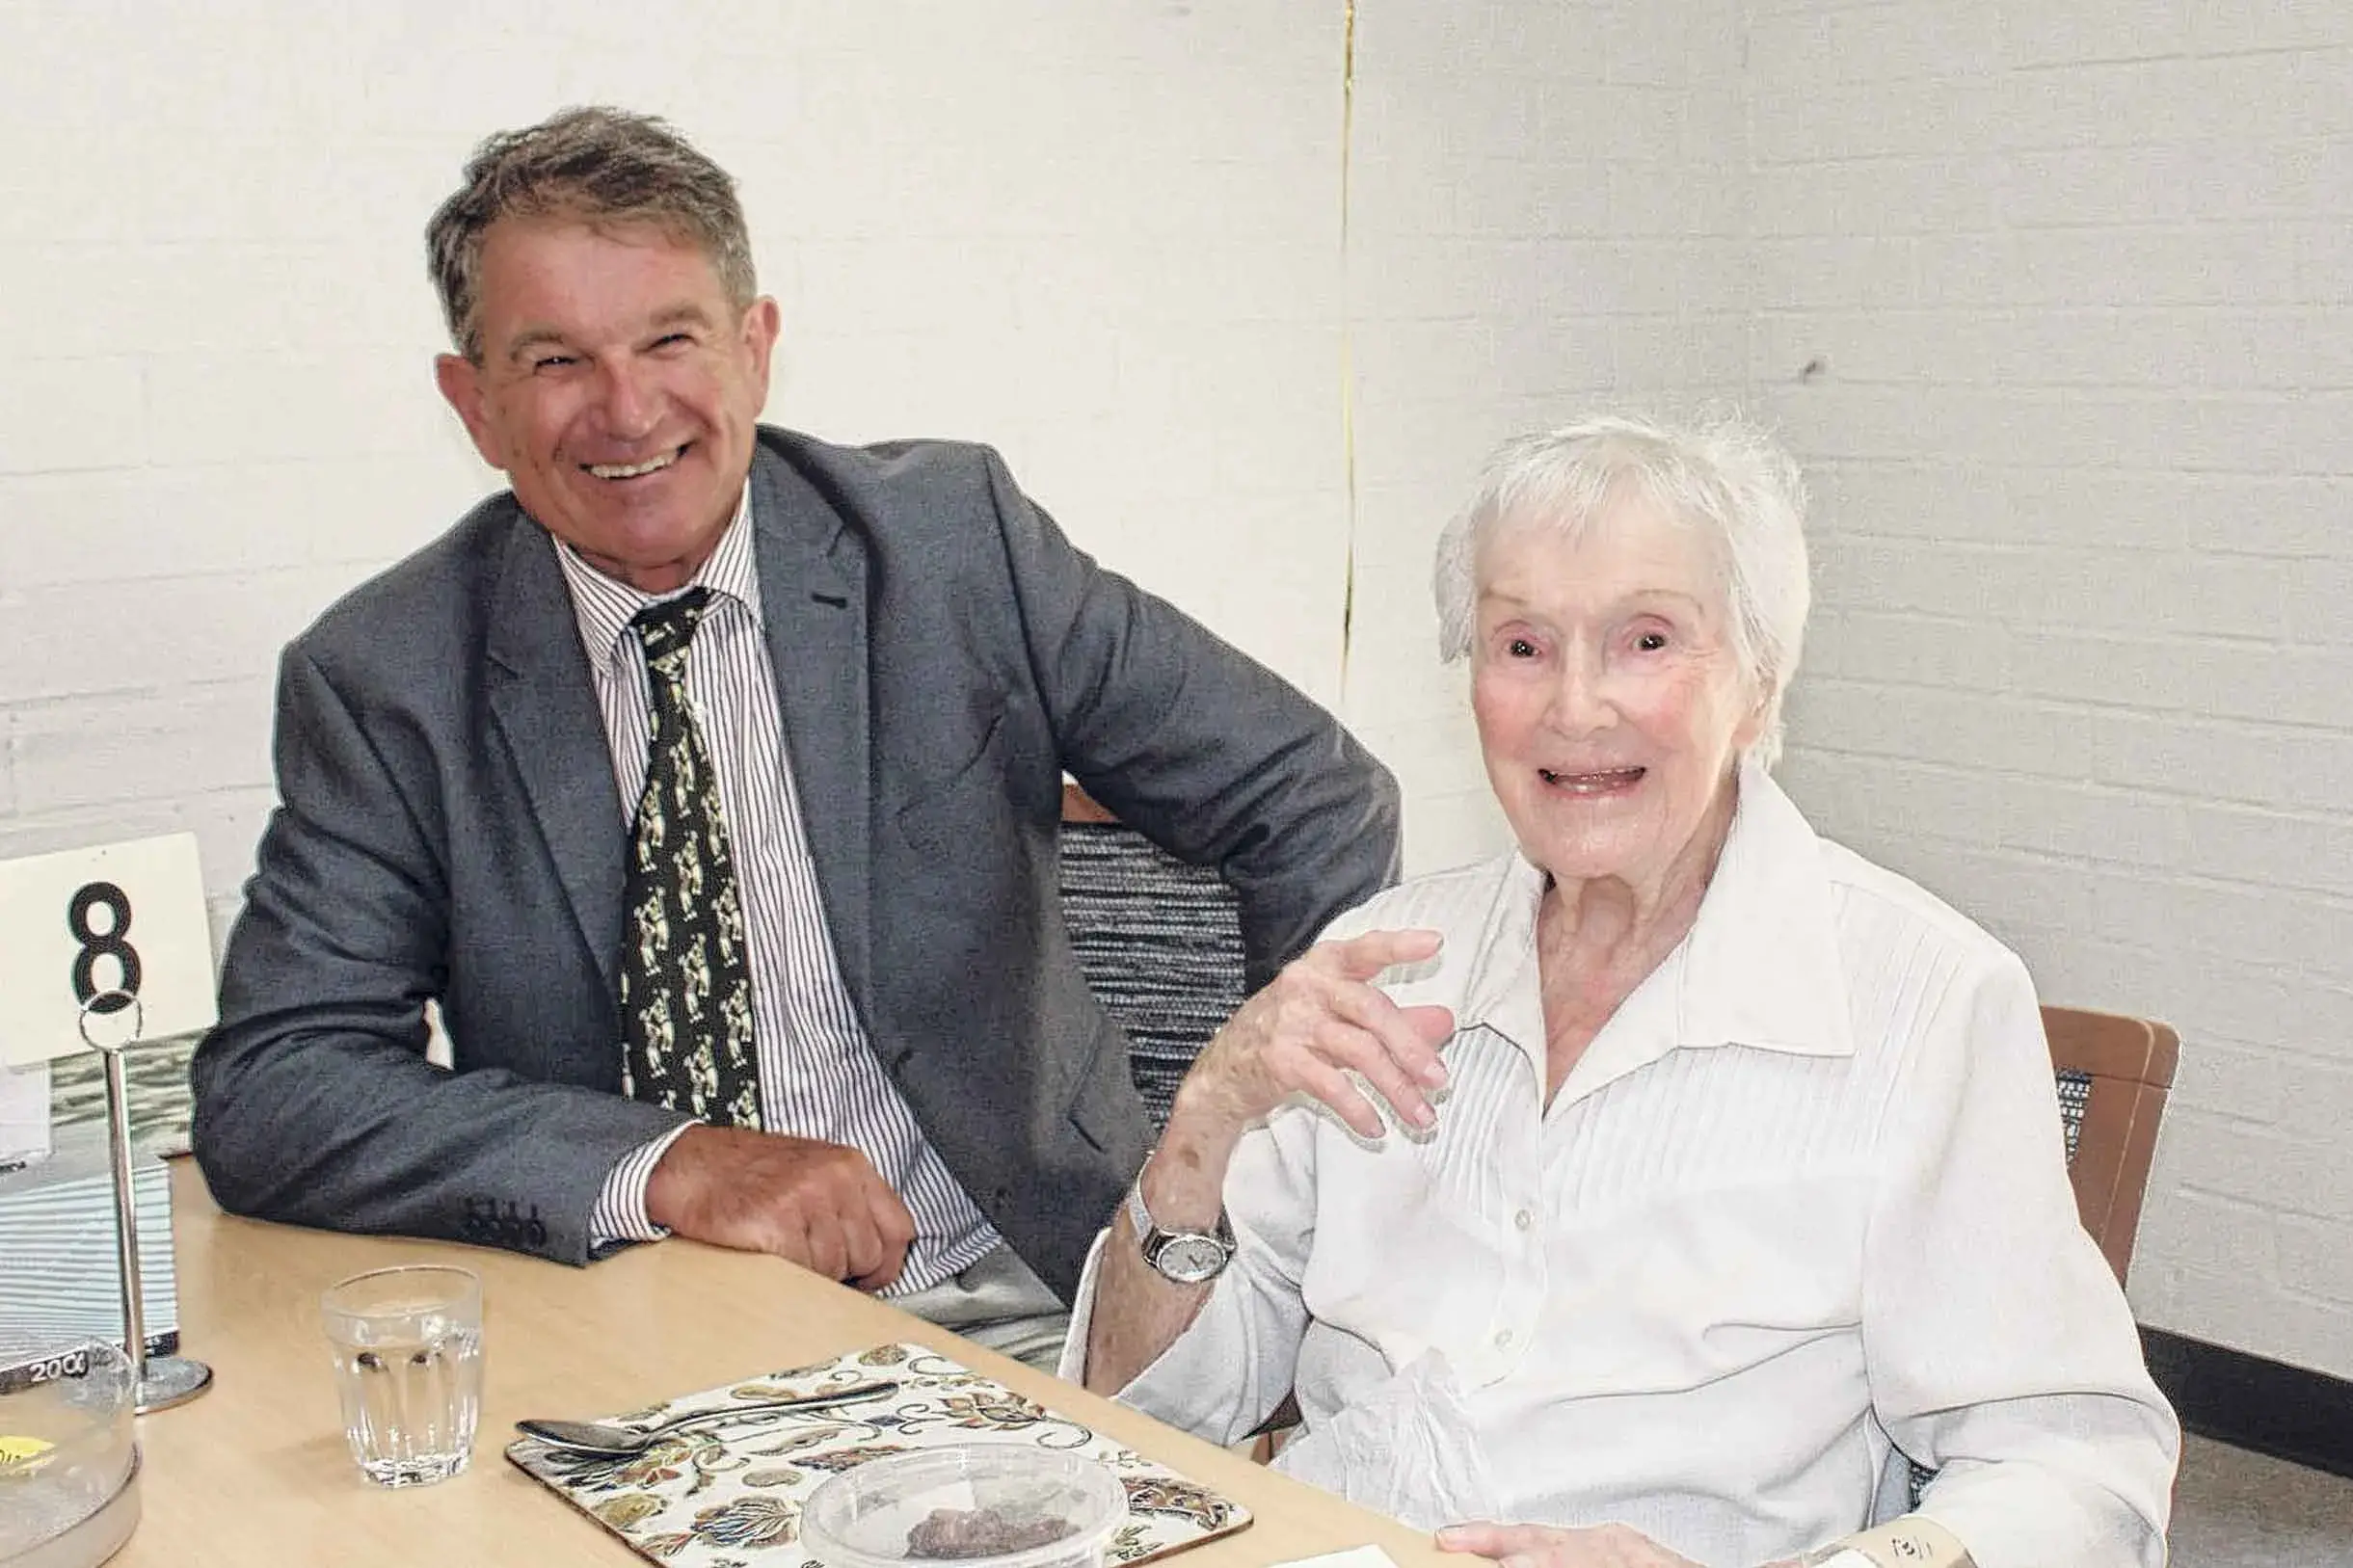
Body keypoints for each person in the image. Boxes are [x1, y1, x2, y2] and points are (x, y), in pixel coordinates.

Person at [188, 106, 1400, 1369]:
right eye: (556, 361)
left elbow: (1311, 795)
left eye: (670, 339)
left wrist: (1269, 1177)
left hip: (1023, 1297)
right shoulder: (389, 676)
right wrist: (665, 1163)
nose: (625, 408)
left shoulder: (952, 546)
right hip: (637, 1340)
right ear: (474, 403)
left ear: (755, 348)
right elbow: (277, 1084)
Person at [1067, 414, 2178, 1565]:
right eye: (1522, 645)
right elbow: (1129, 1422)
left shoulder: (1922, 1002)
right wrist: (1204, 1122)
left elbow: (2076, 1475)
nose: (1575, 705)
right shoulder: (1383, 961)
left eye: (1645, 640)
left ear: (1758, 683)